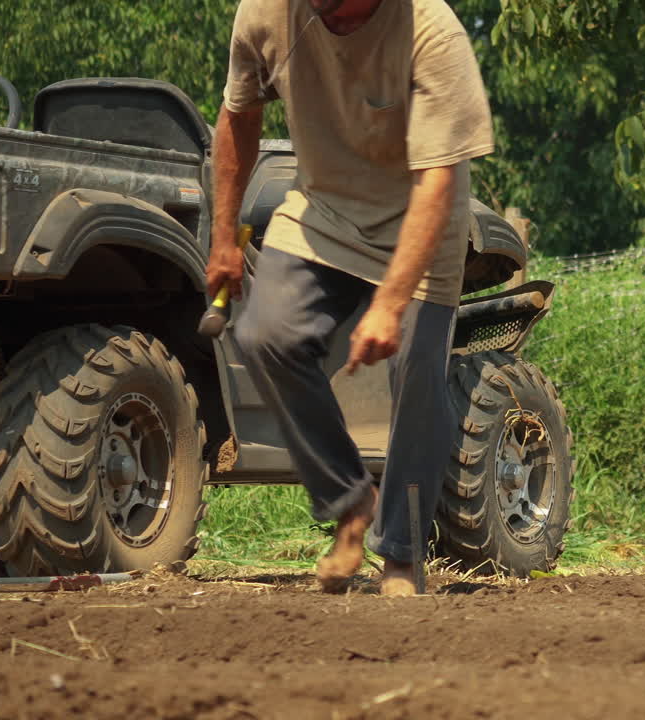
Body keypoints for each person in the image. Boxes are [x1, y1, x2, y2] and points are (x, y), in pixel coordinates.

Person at [207, 0, 494, 596]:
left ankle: (402, 557)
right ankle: (349, 499)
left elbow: (437, 182)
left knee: (416, 371)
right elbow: (238, 119)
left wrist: (390, 304)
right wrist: (223, 239)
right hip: (325, 210)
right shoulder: (265, 15)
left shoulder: (432, 32)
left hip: (422, 217)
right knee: (265, 334)